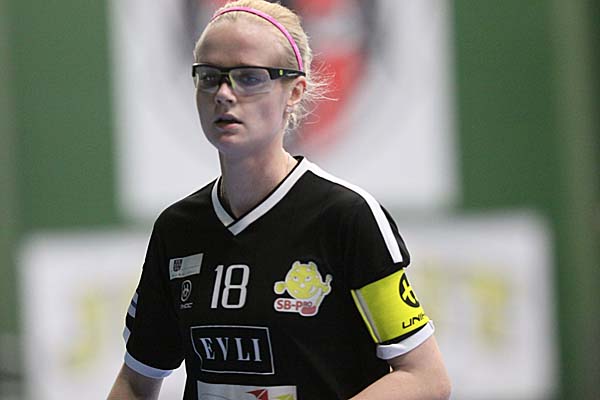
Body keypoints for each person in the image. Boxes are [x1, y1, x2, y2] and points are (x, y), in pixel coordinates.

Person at [108, 1, 451, 399]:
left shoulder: (346, 218)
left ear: (295, 92)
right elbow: (135, 382)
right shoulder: (177, 230)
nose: (224, 94)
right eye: (210, 77)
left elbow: (426, 377)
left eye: (249, 78)